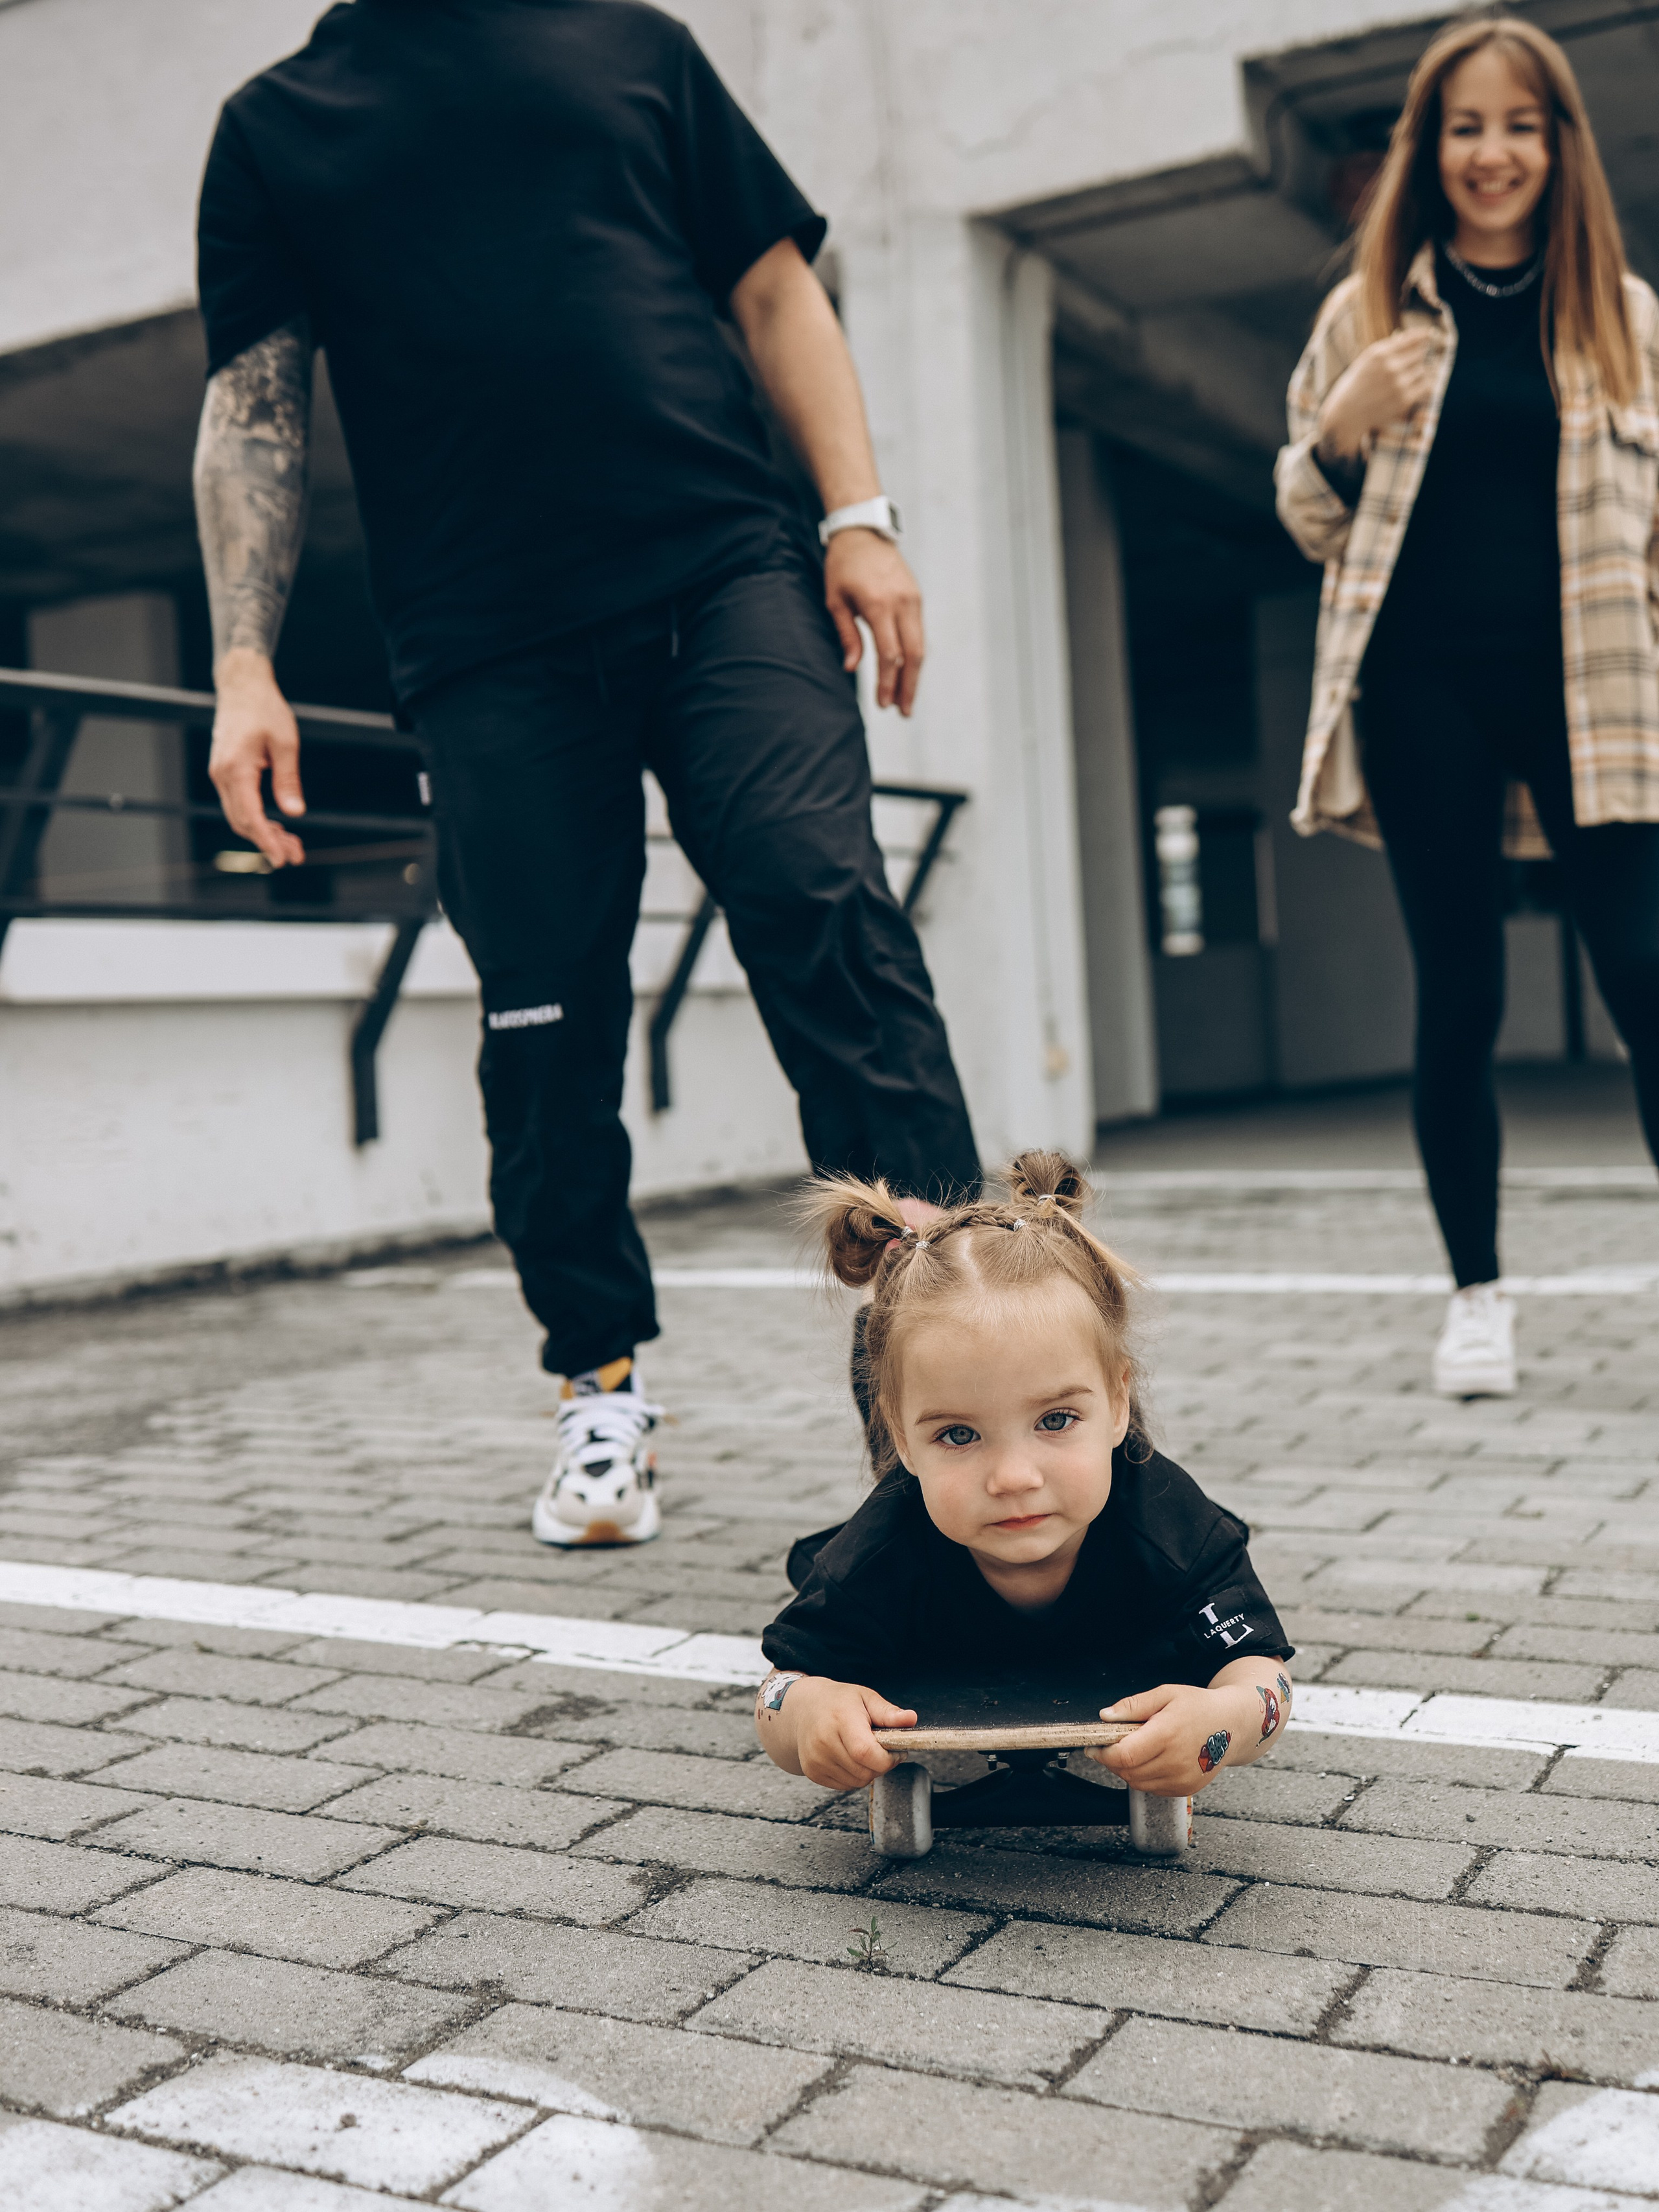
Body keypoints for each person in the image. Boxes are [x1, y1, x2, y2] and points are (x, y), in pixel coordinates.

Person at [192, 0, 980, 1544]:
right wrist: (241, 663)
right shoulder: (277, 126)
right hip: (484, 642)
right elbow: (254, 403)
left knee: (818, 898)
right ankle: (598, 1387)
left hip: (721, 570)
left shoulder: (630, 45)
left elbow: (772, 286)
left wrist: (857, 515)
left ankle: (957, 1364)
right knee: (542, 1017)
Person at [1277, 16, 1659, 1401]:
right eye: (1462, 126)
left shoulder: (1623, 320)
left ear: (1557, 145)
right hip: (1421, 687)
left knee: (1644, 977)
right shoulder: (1362, 319)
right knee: (1460, 993)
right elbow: (1308, 520)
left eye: (1517, 124)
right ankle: (1475, 1295)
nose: (1489, 151)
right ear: (1424, 150)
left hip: (1593, 693)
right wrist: (1337, 427)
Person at [753, 1154, 1295, 1800]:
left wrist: (1224, 1721)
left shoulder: (1170, 1525)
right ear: (901, 1438)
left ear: (1119, 1402)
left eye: (1056, 1419)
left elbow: (1263, 1678)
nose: (1012, 1476)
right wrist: (811, 1715)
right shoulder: (882, 1549)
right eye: (958, 1433)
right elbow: (779, 1692)